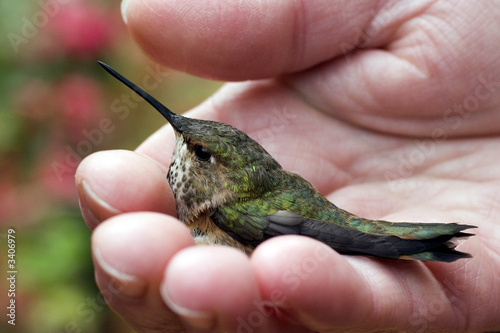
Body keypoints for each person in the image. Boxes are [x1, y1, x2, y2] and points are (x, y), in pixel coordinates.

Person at [76, 1, 500, 331]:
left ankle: (422, 242)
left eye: (200, 152)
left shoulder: (227, 209)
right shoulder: (224, 196)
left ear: (221, 177)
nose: (185, 146)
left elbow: (311, 229)